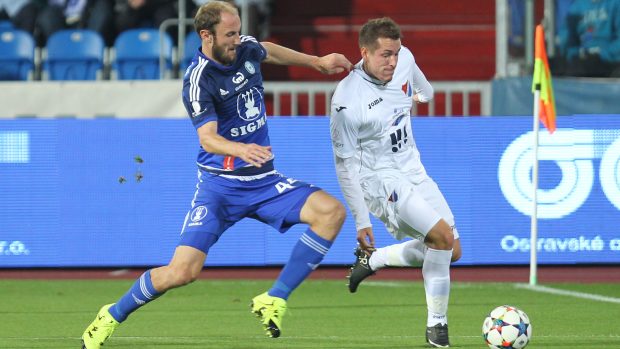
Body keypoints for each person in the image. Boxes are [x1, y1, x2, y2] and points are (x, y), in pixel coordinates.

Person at [80, 1, 351, 348]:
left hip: (264, 182)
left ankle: (275, 297)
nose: (238, 39)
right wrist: (241, 150)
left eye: (238, 31)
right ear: (206, 35)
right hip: (220, 188)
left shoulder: (244, 48)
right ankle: (111, 315)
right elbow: (207, 137)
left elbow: (267, 50)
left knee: (331, 212)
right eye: (229, 34)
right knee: (182, 273)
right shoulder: (199, 78)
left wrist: (317, 61)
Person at [329, 17, 462, 348]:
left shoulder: (405, 59)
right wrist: (361, 220)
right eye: (385, 55)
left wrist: (414, 100)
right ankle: (437, 328)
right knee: (442, 238)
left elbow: (425, 92)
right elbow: (344, 166)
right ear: (365, 52)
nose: (393, 61)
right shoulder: (347, 100)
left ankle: (372, 260)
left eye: (396, 53)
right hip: (379, 180)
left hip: (412, 168)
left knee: (451, 249)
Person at [560, 0, 620, 77]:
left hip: (611, 65)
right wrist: (578, 55)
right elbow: (568, 42)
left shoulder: (615, 3)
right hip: (581, 65)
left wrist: (601, 54)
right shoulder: (576, 7)